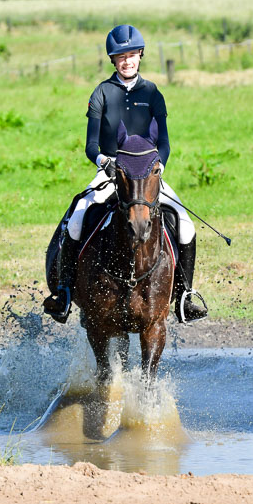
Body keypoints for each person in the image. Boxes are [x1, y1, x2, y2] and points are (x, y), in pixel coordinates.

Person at [43, 24, 207, 324]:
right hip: (112, 173)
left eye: (132, 55)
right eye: (121, 56)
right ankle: (65, 292)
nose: (127, 61)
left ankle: (185, 295)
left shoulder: (152, 93)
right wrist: (104, 161)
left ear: (140, 55)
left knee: (185, 224)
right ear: (113, 59)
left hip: (146, 176)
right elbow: (90, 145)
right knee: (79, 216)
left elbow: (165, 143)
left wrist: (159, 167)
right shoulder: (102, 93)